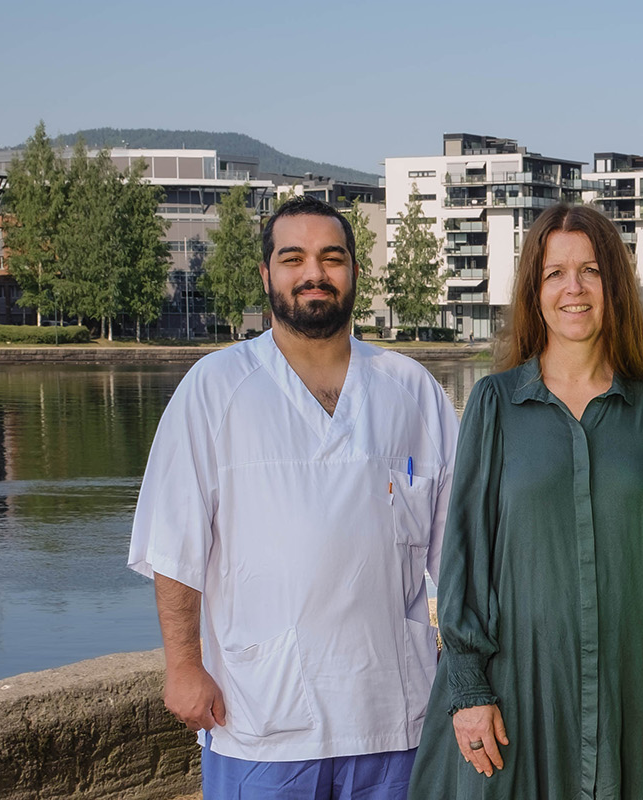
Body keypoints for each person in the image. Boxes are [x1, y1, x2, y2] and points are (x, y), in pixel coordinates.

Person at [128, 195, 459, 800]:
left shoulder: (411, 390)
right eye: (294, 258)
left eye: (333, 257)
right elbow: (173, 542)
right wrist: (182, 665)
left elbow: (460, 550)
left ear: (355, 272)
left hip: (395, 717)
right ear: (267, 275)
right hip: (262, 719)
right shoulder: (215, 389)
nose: (315, 273)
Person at [406, 202, 643, 799]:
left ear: (613, 285)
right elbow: (465, 554)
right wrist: (469, 690)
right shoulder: (495, 404)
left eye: (590, 271)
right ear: (534, 292)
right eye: (554, 273)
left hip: (626, 687)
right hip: (514, 689)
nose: (574, 289)